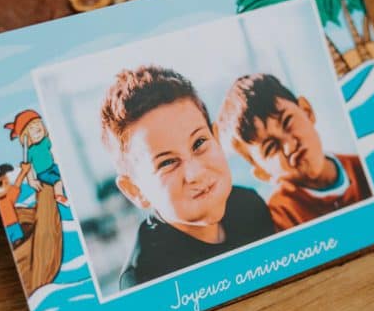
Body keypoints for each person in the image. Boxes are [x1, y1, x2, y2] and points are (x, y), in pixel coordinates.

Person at [100, 65, 275, 289]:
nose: (196, 173)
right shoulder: (146, 280)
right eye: (166, 162)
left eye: (199, 143)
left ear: (217, 139)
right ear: (136, 191)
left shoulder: (251, 206)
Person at [217, 73, 372, 232]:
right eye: (270, 147)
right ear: (263, 173)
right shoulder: (280, 216)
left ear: (307, 111)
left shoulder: (367, 165)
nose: (290, 146)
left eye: (287, 121)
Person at [4, 109, 66, 203]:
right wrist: (31, 180)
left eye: (38, 125)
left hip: (53, 166)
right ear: (25, 137)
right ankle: (59, 197)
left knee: (63, 176)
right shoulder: (31, 151)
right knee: (58, 182)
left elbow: (51, 152)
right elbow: (28, 167)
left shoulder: (45, 141)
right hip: (44, 173)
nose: (36, 128)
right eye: (31, 128)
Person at [0, 161, 32, 244]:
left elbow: (16, 185)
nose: (6, 183)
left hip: (14, 226)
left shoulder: (7, 196)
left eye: (6, 179)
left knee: (19, 243)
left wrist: (24, 171)